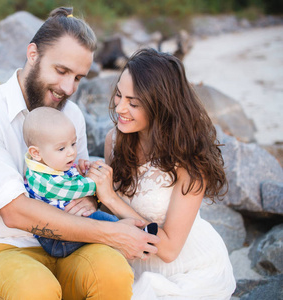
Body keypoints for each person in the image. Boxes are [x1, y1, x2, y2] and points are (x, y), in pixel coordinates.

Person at [0, 7, 160, 300]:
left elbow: (79, 178)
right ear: (33, 54)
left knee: (113, 272)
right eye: (61, 71)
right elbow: (13, 212)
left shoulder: (71, 113)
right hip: (9, 246)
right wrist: (113, 234)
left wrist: (89, 198)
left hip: (73, 241)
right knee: (36, 290)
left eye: (78, 78)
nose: (67, 88)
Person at [86, 48, 236, 299]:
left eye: (133, 103)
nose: (121, 108)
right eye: (119, 96)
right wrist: (91, 191)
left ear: (160, 106)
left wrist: (110, 197)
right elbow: (111, 211)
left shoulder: (190, 161)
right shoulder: (115, 140)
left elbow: (168, 249)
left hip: (187, 270)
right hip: (131, 262)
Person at [23, 107, 154, 258]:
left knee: (100, 220)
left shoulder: (50, 164)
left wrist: (82, 171)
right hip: (56, 240)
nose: (71, 152)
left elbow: (70, 176)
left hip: (71, 228)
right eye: (61, 148)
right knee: (105, 221)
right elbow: (72, 189)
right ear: (36, 153)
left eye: (73, 144)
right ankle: (135, 236)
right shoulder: (42, 180)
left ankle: (134, 235)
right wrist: (95, 183)